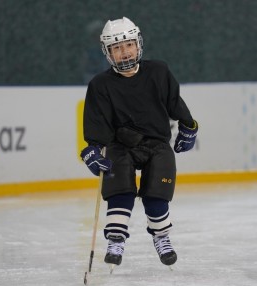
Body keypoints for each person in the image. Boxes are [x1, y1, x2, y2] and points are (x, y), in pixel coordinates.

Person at [80, 17, 198, 268]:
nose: (124, 52)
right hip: (119, 145)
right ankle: (115, 239)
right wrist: (92, 149)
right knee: (119, 183)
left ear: (138, 44)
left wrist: (189, 125)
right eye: (117, 48)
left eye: (129, 45)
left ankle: (162, 237)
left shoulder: (159, 71)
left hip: (156, 144)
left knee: (157, 193)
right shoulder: (100, 85)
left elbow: (174, 102)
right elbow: (96, 124)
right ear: (108, 52)